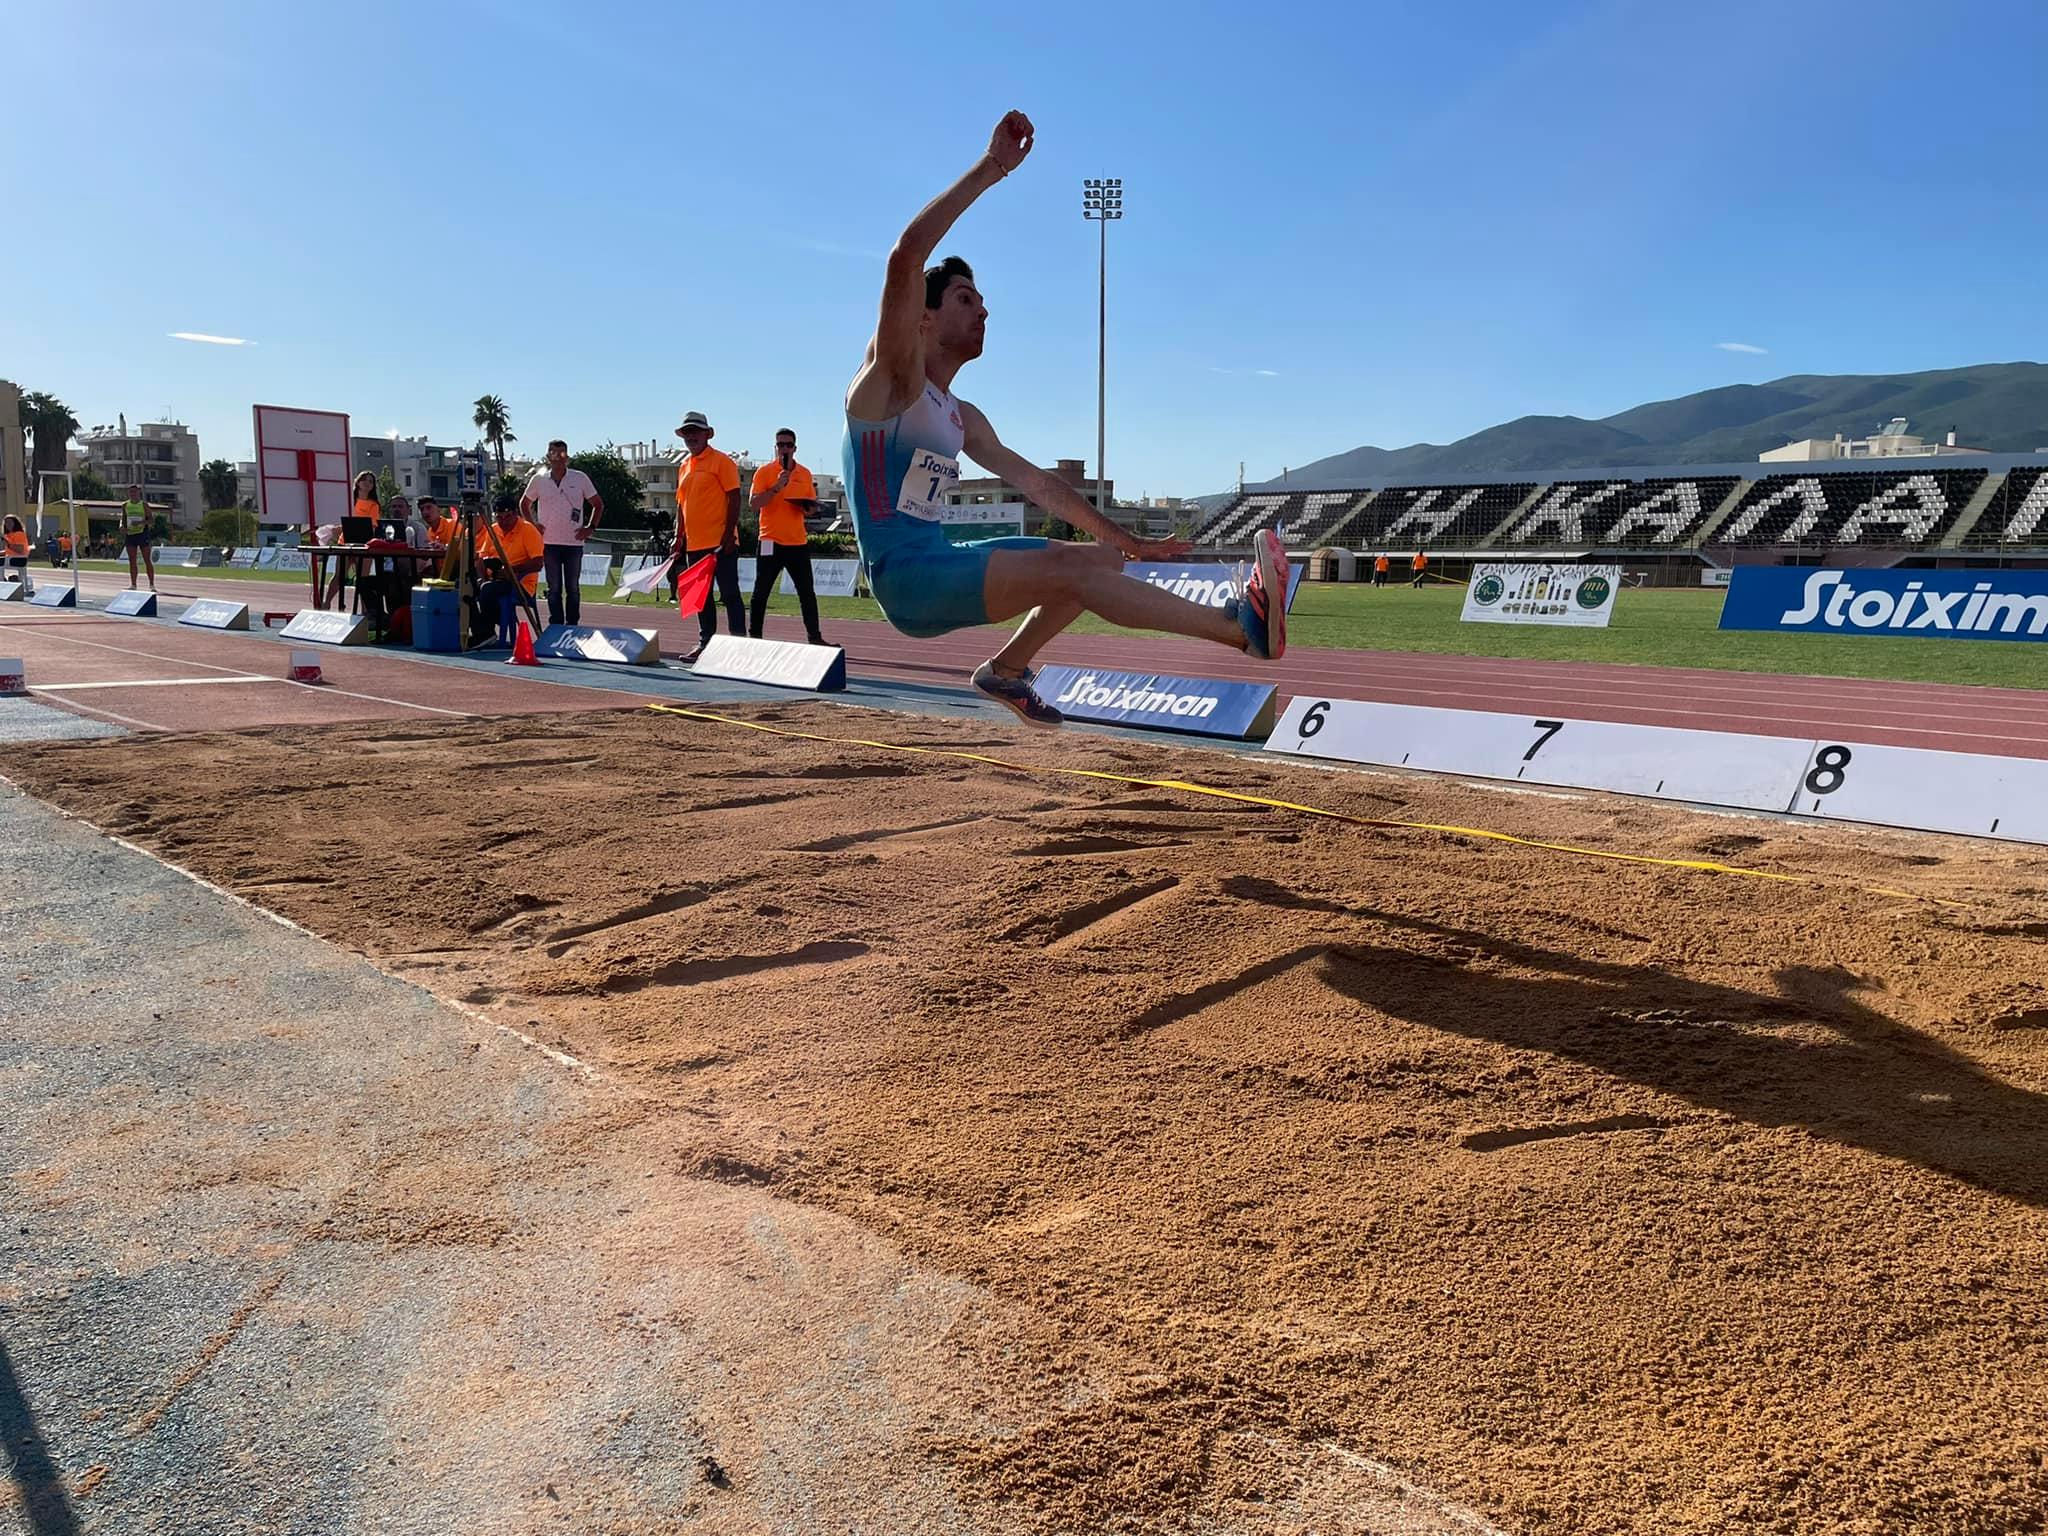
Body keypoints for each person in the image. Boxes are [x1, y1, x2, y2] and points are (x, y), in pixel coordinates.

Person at [842, 111, 1285, 729]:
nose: (983, 310)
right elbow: (906, 255)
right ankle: (1241, 630)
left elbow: (1040, 485)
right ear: (921, 317)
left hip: (939, 558)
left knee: (1099, 563)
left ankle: (1006, 669)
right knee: (1075, 575)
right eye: (966, 300)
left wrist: (1128, 543)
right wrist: (991, 169)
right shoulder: (889, 385)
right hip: (909, 580)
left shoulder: (961, 416)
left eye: (983, 301)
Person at [673, 410, 745, 659]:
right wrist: (677, 537)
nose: (691, 436)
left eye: (695, 431)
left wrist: (728, 534)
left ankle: (739, 643)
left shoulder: (722, 462)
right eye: (687, 432)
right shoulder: (684, 466)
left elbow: (734, 498)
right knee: (700, 597)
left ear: (707, 434)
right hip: (694, 544)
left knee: (729, 593)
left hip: (720, 542)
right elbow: (681, 505)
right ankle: (706, 643)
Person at [748, 427, 826, 646]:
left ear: (795, 448)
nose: (784, 449)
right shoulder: (764, 472)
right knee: (761, 591)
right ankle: (754, 638)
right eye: (780, 444)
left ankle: (815, 636)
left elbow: (809, 506)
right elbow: (753, 504)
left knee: (806, 593)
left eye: (788, 445)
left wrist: (809, 509)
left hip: (797, 541)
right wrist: (776, 488)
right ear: (775, 447)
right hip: (770, 540)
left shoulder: (804, 473)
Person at [521, 439, 604, 630]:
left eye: (562, 453)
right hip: (549, 543)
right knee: (554, 587)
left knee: (573, 588)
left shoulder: (580, 478)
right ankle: (556, 624)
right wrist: (533, 525)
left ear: (567, 456)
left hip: (574, 543)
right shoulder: (539, 479)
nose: (558, 457)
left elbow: (598, 504)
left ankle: (572, 624)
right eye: (553, 453)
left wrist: (590, 527)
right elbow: (524, 503)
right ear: (548, 456)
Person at [470, 492, 545, 646]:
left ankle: (487, 632)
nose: (503, 521)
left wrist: (511, 571)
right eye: (499, 517)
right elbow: (481, 559)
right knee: (464, 587)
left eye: (507, 516)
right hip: (493, 579)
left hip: (520, 583)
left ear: (515, 514)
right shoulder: (493, 530)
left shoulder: (528, 530)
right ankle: (481, 630)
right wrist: (481, 578)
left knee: (488, 590)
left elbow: (538, 563)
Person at [120, 483, 157, 591]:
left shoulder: (144, 505)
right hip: (130, 534)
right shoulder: (125, 505)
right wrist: (122, 526)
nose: (133, 494)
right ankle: (133, 584)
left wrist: (141, 522)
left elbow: (151, 520)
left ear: (138, 493)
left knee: (147, 560)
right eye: (131, 492)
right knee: (132, 560)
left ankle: (151, 584)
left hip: (142, 533)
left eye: (134, 492)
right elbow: (123, 518)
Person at [2, 515, 30, 590]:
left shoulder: (19, 534)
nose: (7, 524)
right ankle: (4, 581)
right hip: (11, 558)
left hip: (18, 560)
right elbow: (9, 551)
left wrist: (8, 544)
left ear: (15, 523)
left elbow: (20, 549)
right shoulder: (8, 535)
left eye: (10, 522)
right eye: (6, 522)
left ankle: (2, 582)